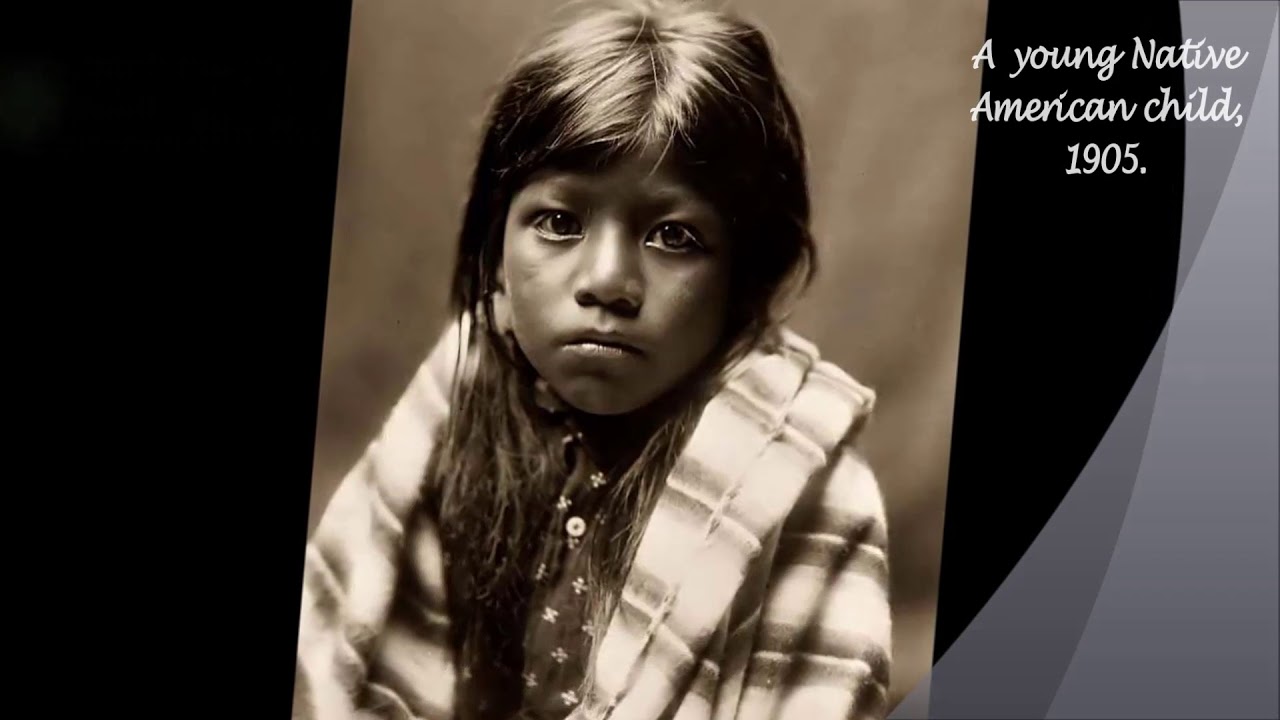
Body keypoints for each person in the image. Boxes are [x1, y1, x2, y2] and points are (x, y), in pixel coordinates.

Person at [294, 1, 891, 719]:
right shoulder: (455, 406)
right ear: (497, 246)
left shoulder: (798, 481)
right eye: (558, 221)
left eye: (674, 236)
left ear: (745, 276)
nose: (607, 281)